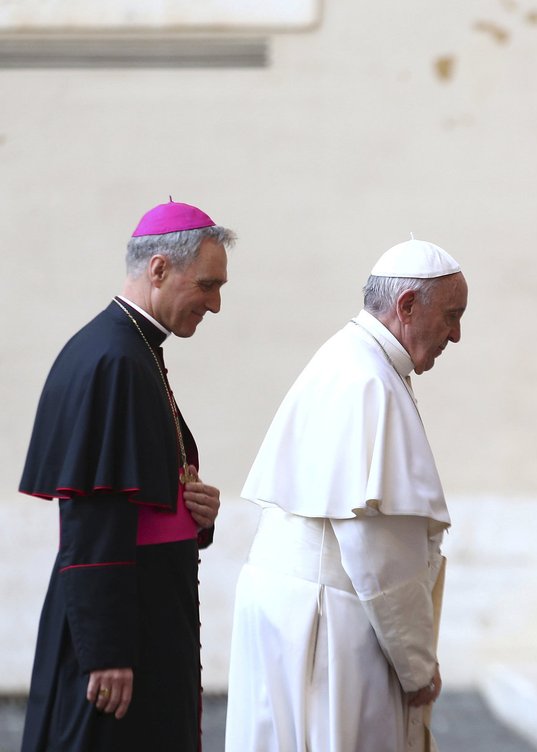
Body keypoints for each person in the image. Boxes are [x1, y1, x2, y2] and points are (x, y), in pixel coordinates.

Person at [225, 237, 467, 752]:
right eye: (451, 315)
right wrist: (418, 667)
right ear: (406, 306)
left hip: (287, 608)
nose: (457, 334)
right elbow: (382, 559)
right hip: (328, 624)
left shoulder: (345, 357)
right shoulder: (369, 382)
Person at [19, 199, 235, 751]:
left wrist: (194, 512)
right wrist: (107, 651)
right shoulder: (114, 359)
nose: (215, 305)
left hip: (145, 611)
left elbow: (139, 493)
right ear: (160, 268)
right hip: (125, 630)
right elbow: (92, 517)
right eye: (207, 285)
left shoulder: (134, 348)